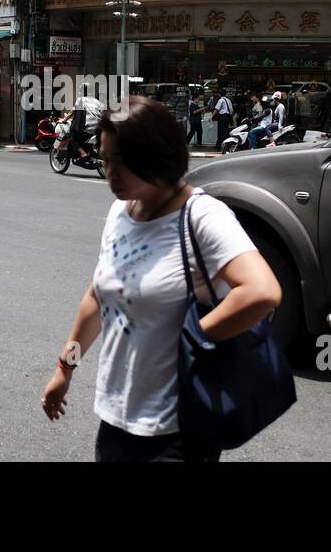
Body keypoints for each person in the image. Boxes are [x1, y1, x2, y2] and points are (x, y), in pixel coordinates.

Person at [40, 97, 282, 462]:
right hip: (115, 421)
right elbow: (97, 297)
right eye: (105, 161)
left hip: (179, 431)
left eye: (122, 163)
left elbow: (261, 292)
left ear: (155, 157)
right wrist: (65, 367)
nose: (110, 174)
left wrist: (194, 339)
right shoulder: (121, 210)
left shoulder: (202, 216)